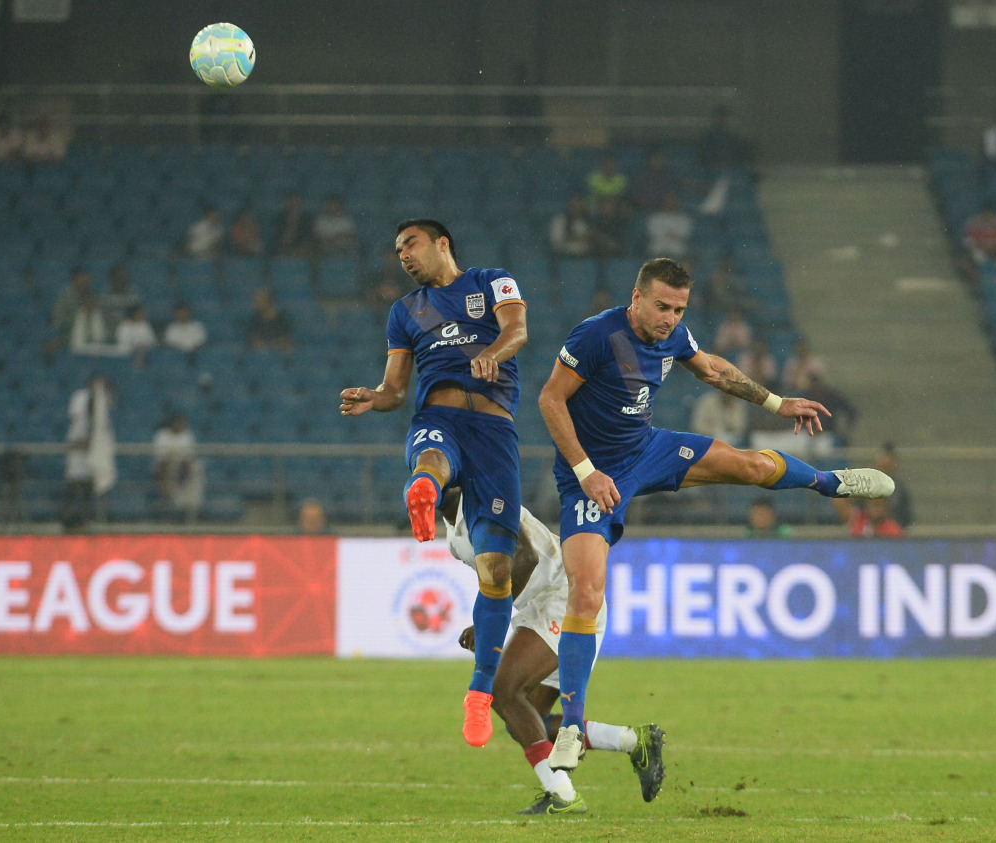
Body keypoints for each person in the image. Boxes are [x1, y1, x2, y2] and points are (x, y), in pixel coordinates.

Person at [536, 257, 894, 771]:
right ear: (636, 298)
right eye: (661, 306)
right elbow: (551, 400)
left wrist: (776, 403)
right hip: (591, 475)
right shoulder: (597, 335)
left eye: (679, 309)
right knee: (587, 590)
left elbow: (711, 369)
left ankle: (832, 484)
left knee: (747, 464)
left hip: (646, 449)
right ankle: (571, 728)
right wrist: (586, 470)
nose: (669, 318)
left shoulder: (672, 335)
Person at [339, 219, 529, 748]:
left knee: (496, 568)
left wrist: (494, 352)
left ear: (442, 242)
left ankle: (479, 695)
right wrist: (374, 398)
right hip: (438, 413)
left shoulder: (493, 281)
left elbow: (517, 330)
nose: (402, 255)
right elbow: (396, 390)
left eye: (410, 244)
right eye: (397, 249)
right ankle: (424, 488)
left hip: (493, 428)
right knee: (430, 453)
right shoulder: (405, 312)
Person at [442, 490, 664, 815]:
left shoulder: (487, 502)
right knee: (528, 717)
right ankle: (633, 741)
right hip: (540, 606)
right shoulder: (453, 532)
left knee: (505, 692)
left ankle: (562, 793)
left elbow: (525, 560)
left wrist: (489, 620)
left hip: (564, 595)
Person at [63, 374, 116, 530]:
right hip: (77, 458)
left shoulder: (102, 412)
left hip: (92, 458)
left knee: (89, 490)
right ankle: (70, 524)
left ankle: (85, 522)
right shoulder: (80, 399)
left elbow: (108, 405)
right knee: (73, 490)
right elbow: (75, 438)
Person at [153, 414, 205, 519]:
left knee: (197, 468)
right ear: (172, 424)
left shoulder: (187, 435)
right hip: (165, 466)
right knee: (168, 470)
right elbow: (161, 459)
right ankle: (174, 504)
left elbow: (188, 458)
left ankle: (191, 506)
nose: (180, 425)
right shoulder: (162, 435)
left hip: (182, 466)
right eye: (177, 423)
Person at [689, 377, 749, 447]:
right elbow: (697, 425)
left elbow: (740, 427)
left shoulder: (738, 405)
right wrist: (713, 432)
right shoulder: (706, 401)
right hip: (706, 439)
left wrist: (728, 409)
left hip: (730, 442)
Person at [696, 105, 754, 171]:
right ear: (715, 119)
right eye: (720, 118)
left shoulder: (733, 139)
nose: (723, 121)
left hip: (730, 172)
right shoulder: (707, 138)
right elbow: (702, 157)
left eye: (725, 118)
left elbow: (740, 157)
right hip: (711, 172)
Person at [644, 191, 693, 259]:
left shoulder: (685, 219)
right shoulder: (655, 218)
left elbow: (682, 236)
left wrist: (667, 234)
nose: (670, 202)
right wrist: (670, 235)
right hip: (657, 249)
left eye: (673, 200)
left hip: (678, 250)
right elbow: (655, 234)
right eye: (668, 200)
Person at [246, 287, 295, 351]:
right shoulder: (255, 319)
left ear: (268, 301)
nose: (255, 304)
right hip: (263, 352)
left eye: (259, 301)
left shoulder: (282, 319)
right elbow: (254, 339)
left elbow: (286, 339)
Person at [101, 264, 143, 338]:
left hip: (129, 329)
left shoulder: (134, 296)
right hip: (109, 328)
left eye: (124, 277)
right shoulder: (105, 297)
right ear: (113, 278)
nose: (122, 280)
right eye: (119, 277)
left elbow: (138, 314)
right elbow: (102, 316)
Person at [273, 192, 313, 257]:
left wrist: (302, 248)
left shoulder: (307, 219)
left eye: (296, 202)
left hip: (302, 248)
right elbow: (277, 237)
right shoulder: (280, 219)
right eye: (292, 202)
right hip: (284, 247)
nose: (294, 204)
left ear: (300, 203)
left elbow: (309, 237)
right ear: (287, 203)